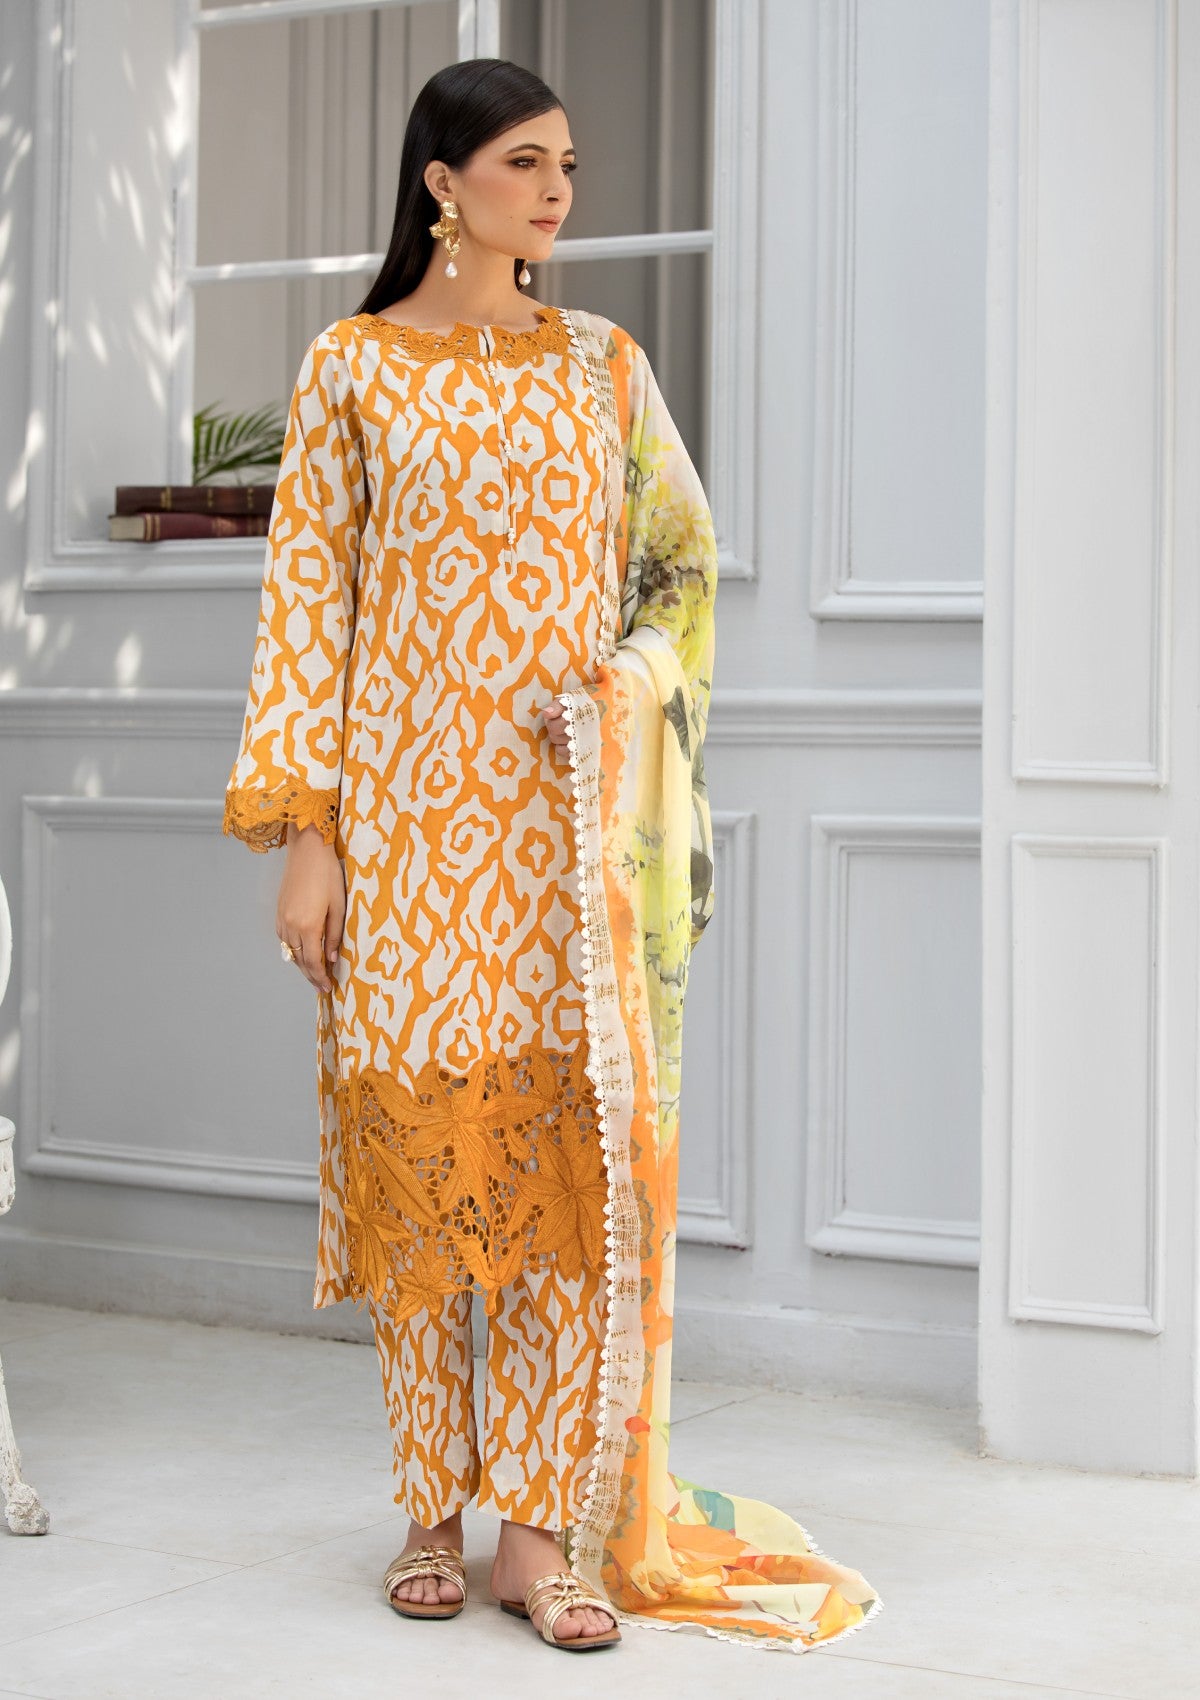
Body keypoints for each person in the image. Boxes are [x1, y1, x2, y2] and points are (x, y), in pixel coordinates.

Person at [223, 56, 881, 1656]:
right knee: (421, 1173)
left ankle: (536, 1533)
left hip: (566, 846)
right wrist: (309, 839)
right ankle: (428, 1511)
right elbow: (308, 611)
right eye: (526, 163)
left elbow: (681, 572)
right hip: (402, 835)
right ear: (442, 181)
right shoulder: (352, 369)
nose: (559, 192)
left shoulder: (603, 367)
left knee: (561, 1185)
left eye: (568, 165)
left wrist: (628, 683)